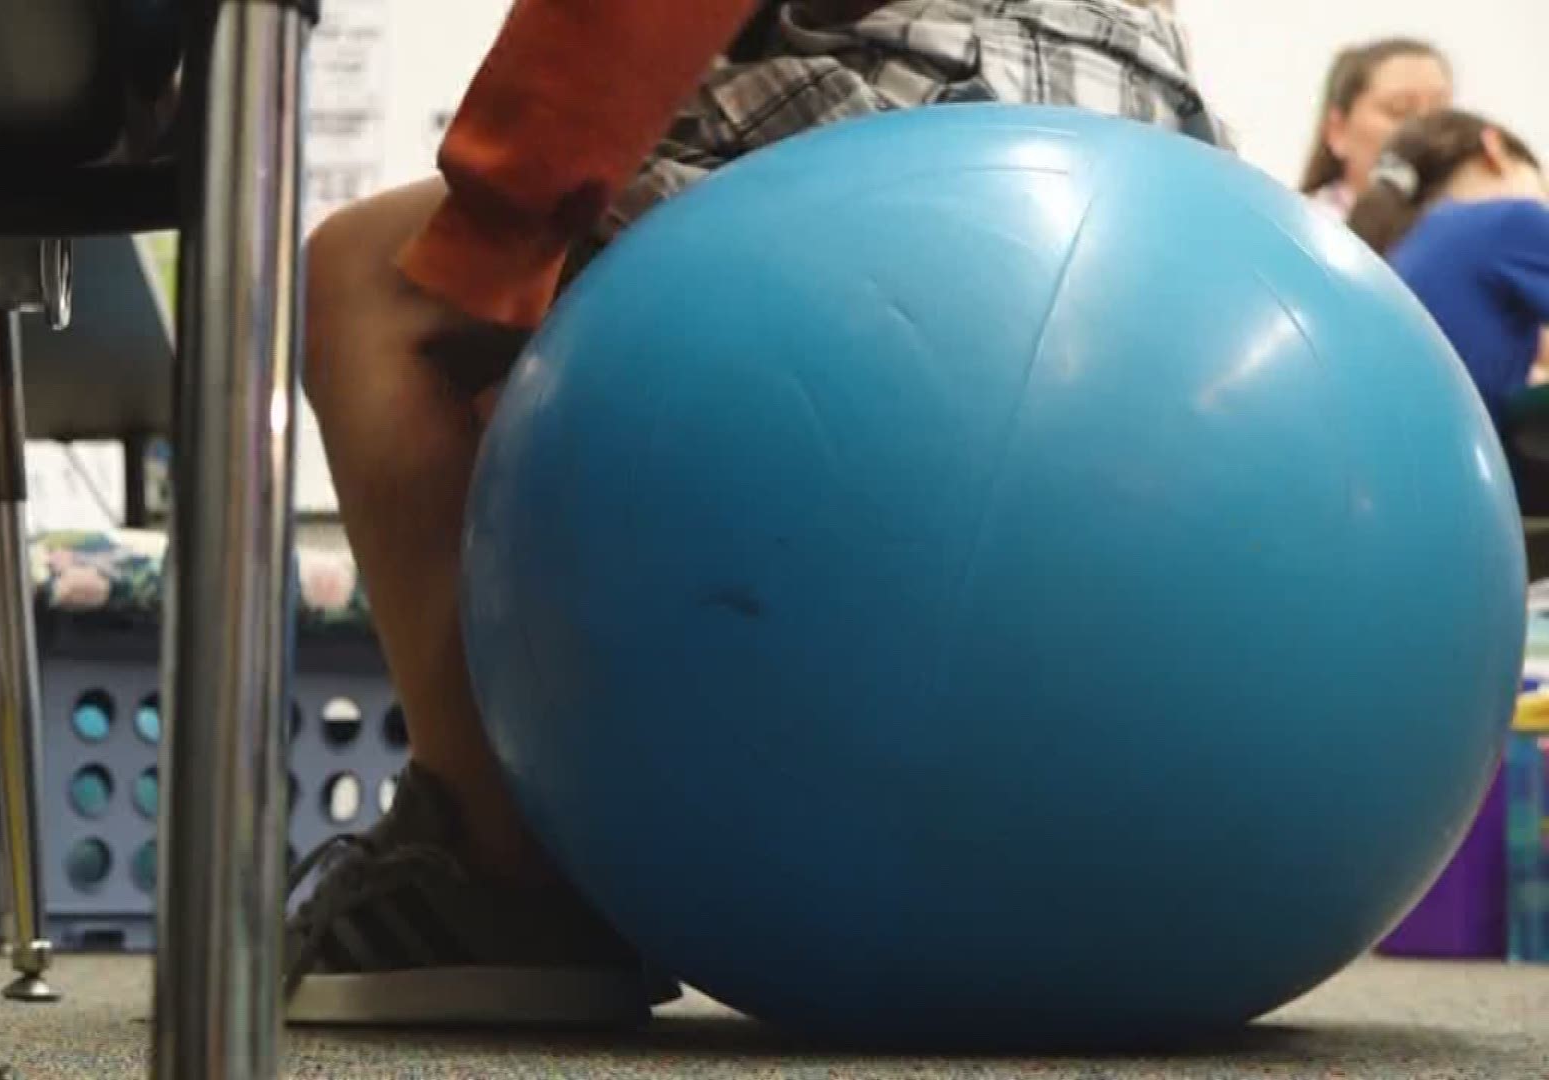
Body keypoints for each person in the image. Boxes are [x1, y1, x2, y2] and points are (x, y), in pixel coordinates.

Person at [291, 0, 1229, 1028]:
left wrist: (500, 239)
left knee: (363, 281)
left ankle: (500, 875)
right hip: (1149, 155)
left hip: (928, 108)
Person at [1348, 110, 1549, 508]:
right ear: (1495, 150)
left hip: (1408, 497)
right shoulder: (1505, 221)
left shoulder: (1407, 248)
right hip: (1476, 492)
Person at [1300, 38, 1453, 218]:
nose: (1427, 128)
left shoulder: (1466, 229)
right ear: (1338, 131)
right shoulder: (1305, 229)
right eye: (1399, 109)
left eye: (1441, 113)